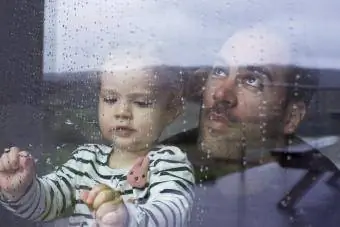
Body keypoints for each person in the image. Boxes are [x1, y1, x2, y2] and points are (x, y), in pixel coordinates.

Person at [0, 52, 195, 227]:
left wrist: (127, 218)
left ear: (171, 111)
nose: (122, 112)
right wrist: (21, 189)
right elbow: (47, 204)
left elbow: (174, 212)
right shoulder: (85, 160)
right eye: (110, 99)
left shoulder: (168, 163)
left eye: (141, 102)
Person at [163, 25, 322, 226]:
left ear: (290, 117)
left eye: (252, 80)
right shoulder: (158, 169)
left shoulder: (322, 202)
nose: (221, 94)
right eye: (220, 70)